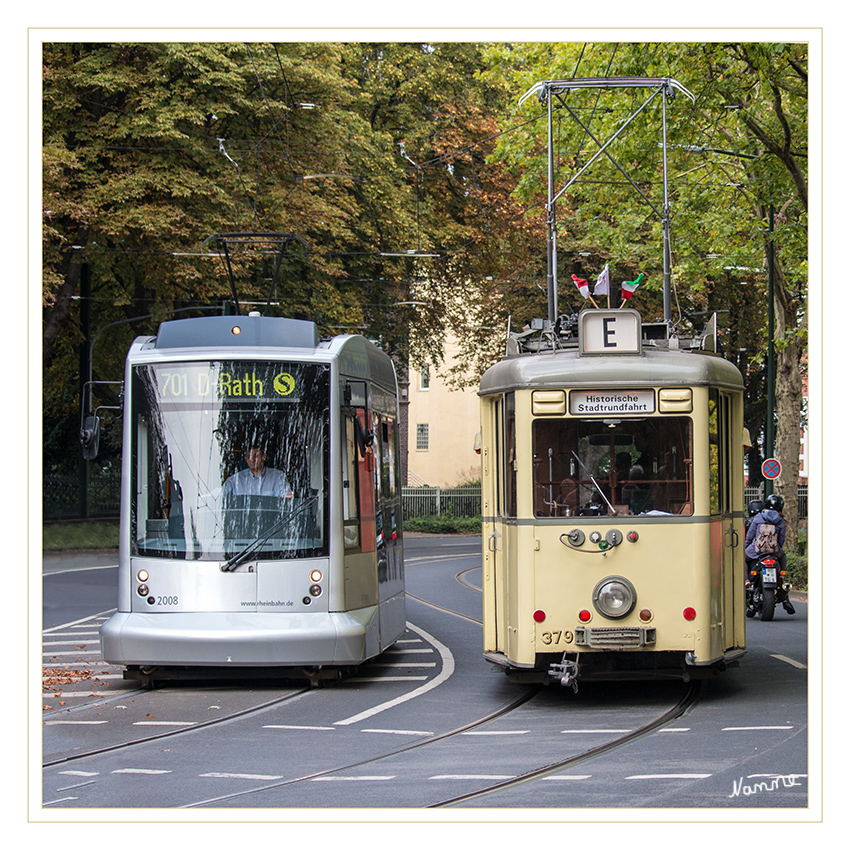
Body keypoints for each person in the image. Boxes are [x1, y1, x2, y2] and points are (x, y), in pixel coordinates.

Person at [744, 493, 794, 614]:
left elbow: (750, 535)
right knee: (783, 557)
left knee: (743, 559)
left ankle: (746, 581)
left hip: (756, 550)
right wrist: (776, 549)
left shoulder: (758, 517)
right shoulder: (781, 521)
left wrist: (747, 546)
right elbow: (781, 539)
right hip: (773, 551)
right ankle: (781, 576)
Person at [222, 445, 293, 499]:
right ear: (246, 459)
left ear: (264, 457)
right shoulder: (234, 481)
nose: (252, 460)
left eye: (255, 456)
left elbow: (287, 500)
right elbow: (221, 503)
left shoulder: (278, 477)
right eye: (249, 457)